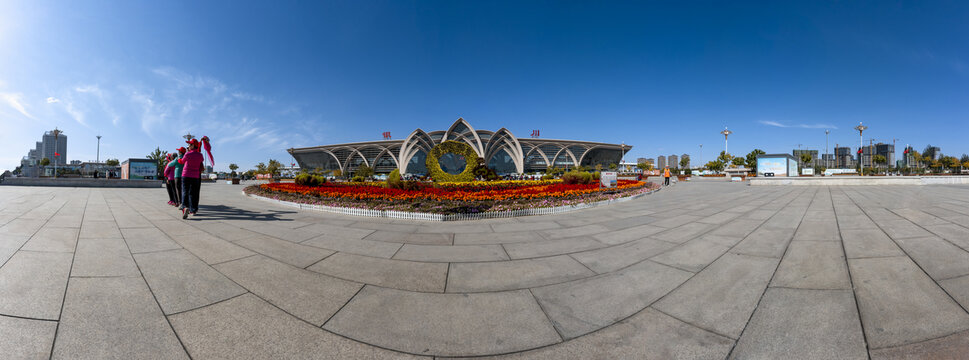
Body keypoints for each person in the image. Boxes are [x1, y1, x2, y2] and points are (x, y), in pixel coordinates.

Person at [178, 140, 205, 219]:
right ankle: (193, 210)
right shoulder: (200, 155)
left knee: (185, 191)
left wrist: (180, 159)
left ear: (193, 145)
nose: (188, 146)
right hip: (195, 176)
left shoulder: (187, 154)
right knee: (193, 193)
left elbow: (182, 161)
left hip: (186, 175)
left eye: (189, 144)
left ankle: (185, 207)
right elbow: (201, 161)